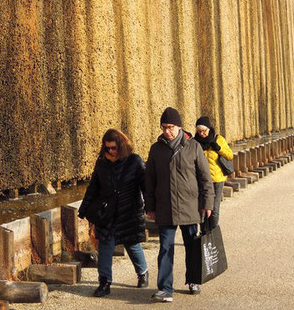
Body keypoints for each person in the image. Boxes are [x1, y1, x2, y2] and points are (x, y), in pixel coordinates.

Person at [145, 107, 214, 302]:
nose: (167, 131)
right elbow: (149, 180)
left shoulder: (193, 147)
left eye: (171, 127)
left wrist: (208, 203)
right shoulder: (156, 149)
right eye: (164, 127)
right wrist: (150, 207)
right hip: (165, 206)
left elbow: (205, 179)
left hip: (189, 206)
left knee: (192, 246)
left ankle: (194, 280)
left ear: (179, 126)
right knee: (165, 248)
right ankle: (165, 288)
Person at [78, 129, 148, 297]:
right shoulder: (102, 162)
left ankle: (143, 272)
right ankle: (104, 282)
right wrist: (83, 209)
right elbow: (93, 187)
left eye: (114, 148)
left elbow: (145, 187)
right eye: (107, 148)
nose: (110, 151)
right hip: (108, 213)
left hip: (129, 212)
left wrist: (151, 208)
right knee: (105, 247)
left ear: (121, 146)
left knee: (132, 245)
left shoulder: (135, 161)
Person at [194, 116, 233, 230]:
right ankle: (204, 232)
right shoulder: (195, 142)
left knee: (214, 209)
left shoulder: (218, 139)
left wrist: (218, 148)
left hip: (217, 180)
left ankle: (214, 232)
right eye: (199, 131)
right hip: (202, 180)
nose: (201, 134)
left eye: (204, 131)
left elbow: (230, 155)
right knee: (202, 208)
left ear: (209, 129)